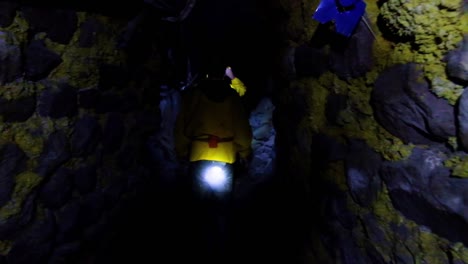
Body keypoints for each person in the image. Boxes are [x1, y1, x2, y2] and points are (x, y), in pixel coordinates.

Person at [173, 64, 252, 261]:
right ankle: (221, 250)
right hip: (225, 157)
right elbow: (242, 130)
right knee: (222, 208)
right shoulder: (233, 98)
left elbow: (181, 126)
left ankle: (198, 249)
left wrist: (182, 152)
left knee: (199, 208)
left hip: (199, 156)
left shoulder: (194, 97)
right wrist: (244, 152)